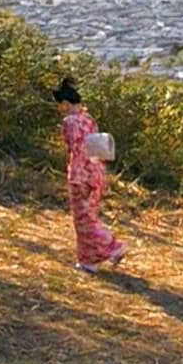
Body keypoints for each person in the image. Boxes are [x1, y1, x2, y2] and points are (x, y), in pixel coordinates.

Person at [53, 77, 127, 273]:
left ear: (65, 103)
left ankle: (113, 246)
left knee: (84, 220)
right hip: (96, 171)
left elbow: (75, 149)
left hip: (80, 174)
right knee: (88, 216)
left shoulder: (70, 121)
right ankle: (88, 260)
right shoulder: (88, 118)